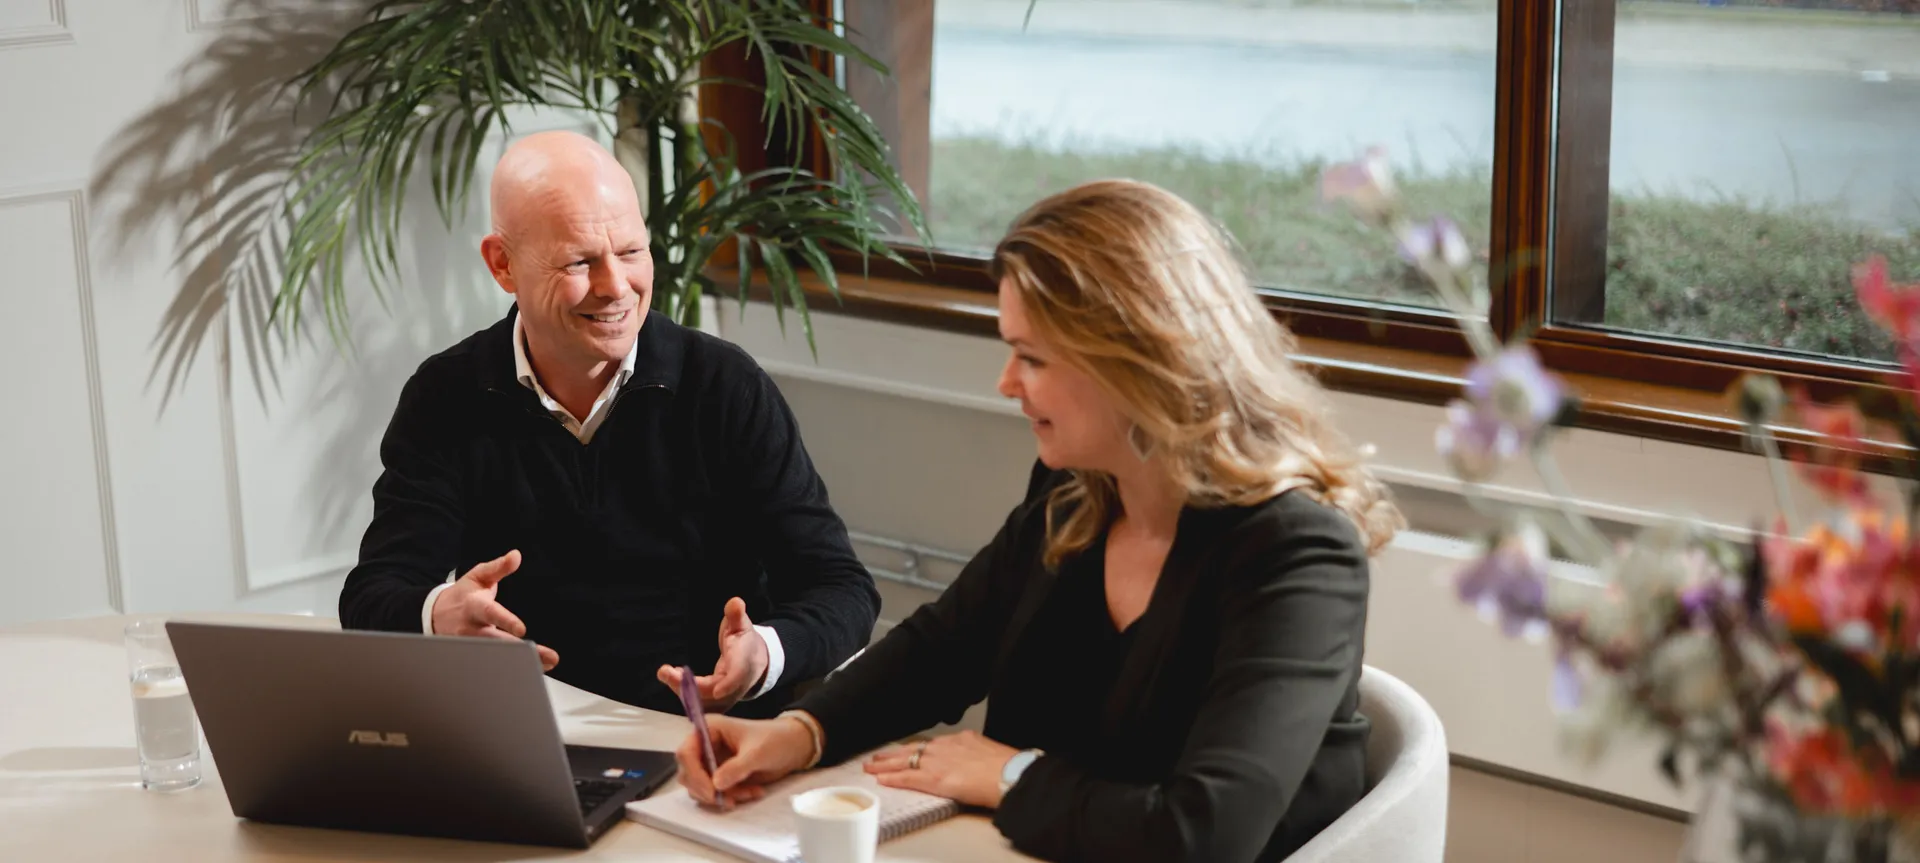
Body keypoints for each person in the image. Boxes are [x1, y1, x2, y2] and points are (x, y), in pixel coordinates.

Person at [668, 179, 1406, 861]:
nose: (1006, 382)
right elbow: (944, 648)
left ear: (1135, 361)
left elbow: (1204, 833)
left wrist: (1014, 775)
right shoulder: (1077, 492)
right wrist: (799, 732)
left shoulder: (1298, 552)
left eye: (1031, 356)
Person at [337, 130, 880, 718]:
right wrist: (438, 613)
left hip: (704, 733)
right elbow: (373, 594)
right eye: (579, 260)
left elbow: (842, 589)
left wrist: (767, 653)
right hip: (529, 731)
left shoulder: (725, 386)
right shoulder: (446, 394)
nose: (617, 287)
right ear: (503, 265)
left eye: (630, 252)